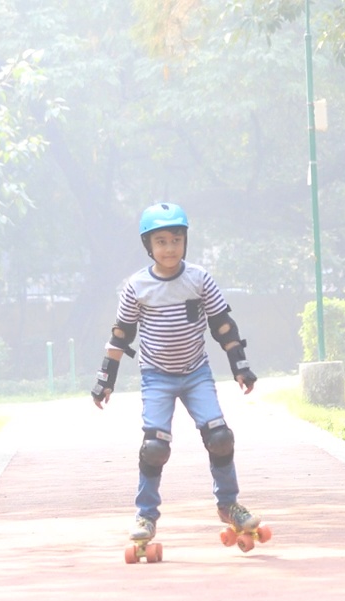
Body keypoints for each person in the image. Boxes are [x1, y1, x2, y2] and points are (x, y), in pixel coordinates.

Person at [91, 201, 260, 546]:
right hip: (156, 375)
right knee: (155, 447)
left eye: (177, 240)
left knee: (220, 437)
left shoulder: (199, 279)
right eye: (162, 241)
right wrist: (106, 379)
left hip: (196, 371)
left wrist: (240, 366)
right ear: (148, 246)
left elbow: (223, 325)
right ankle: (146, 515)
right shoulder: (136, 286)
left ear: (186, 242)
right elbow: (121, 334)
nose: (170, 248)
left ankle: (229, 504)